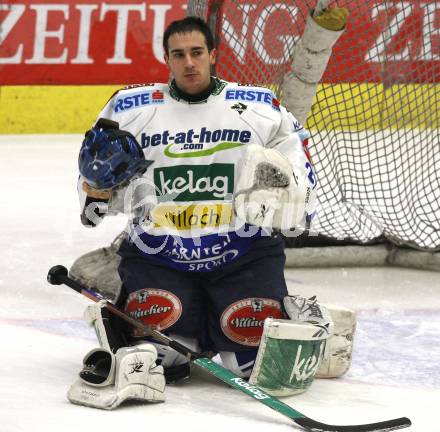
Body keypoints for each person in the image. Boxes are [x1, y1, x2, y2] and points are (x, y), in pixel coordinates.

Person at [68, 13, 354, 410]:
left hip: (242, 257)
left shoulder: (259, 108)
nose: (189, 62)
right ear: (167, 58)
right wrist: (95, 189)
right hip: (160, 259)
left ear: (213, 55)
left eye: (197, 53)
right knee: (164, 361)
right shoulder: (129, 109)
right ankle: (178, 329)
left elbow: (299, 172)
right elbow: (95, 206)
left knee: (250, 366)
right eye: (179, 54)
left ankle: (306, 319)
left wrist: (292, 199)